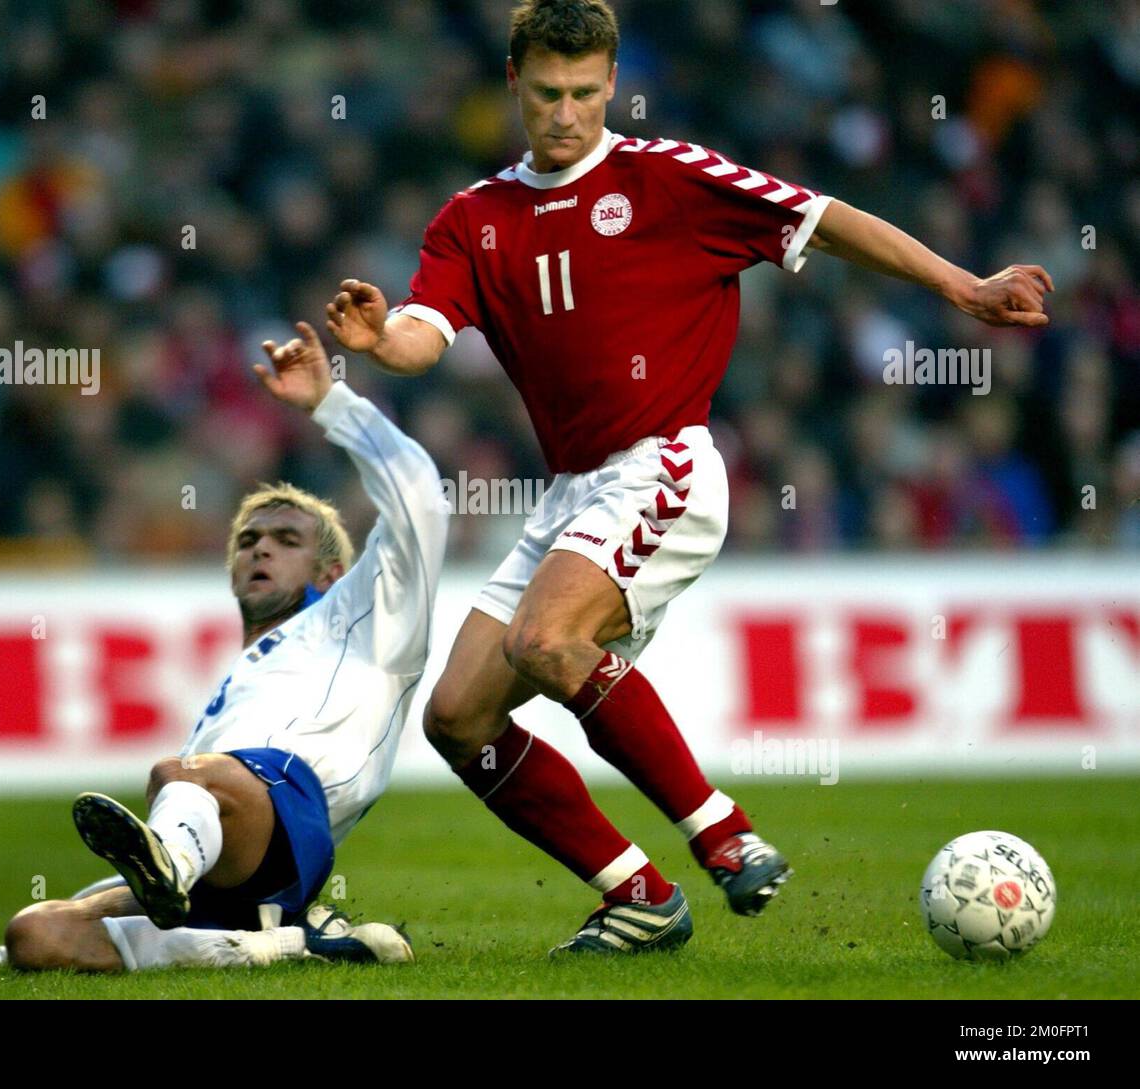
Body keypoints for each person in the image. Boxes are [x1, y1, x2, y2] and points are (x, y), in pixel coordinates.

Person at [324, 0, 1052, 954]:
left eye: (586, 93)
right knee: (456, 717)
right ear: (514, 84)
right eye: (546, 92)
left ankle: (722, 831)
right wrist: (378, 338)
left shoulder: (668, 177)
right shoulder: (474, 219)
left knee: (548, 640)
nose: (566, 114)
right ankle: (640, 894)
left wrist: (961, 285)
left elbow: (821, 219)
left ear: (613, 85)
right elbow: (426, 332)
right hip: (569, 493)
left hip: (661, 461)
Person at [0, 322, 450, 971]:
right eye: (248, 538)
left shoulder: (366, 617)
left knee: (177, 773)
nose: (260, 546)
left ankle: (176, 874)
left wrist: (331, 404)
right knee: (34, 931)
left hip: (290, 825)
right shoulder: (239, 683)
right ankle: (290, 945)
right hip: (228, 860)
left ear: (330, 574)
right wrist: (67, 919)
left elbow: (423, 499)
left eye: (286, 540)